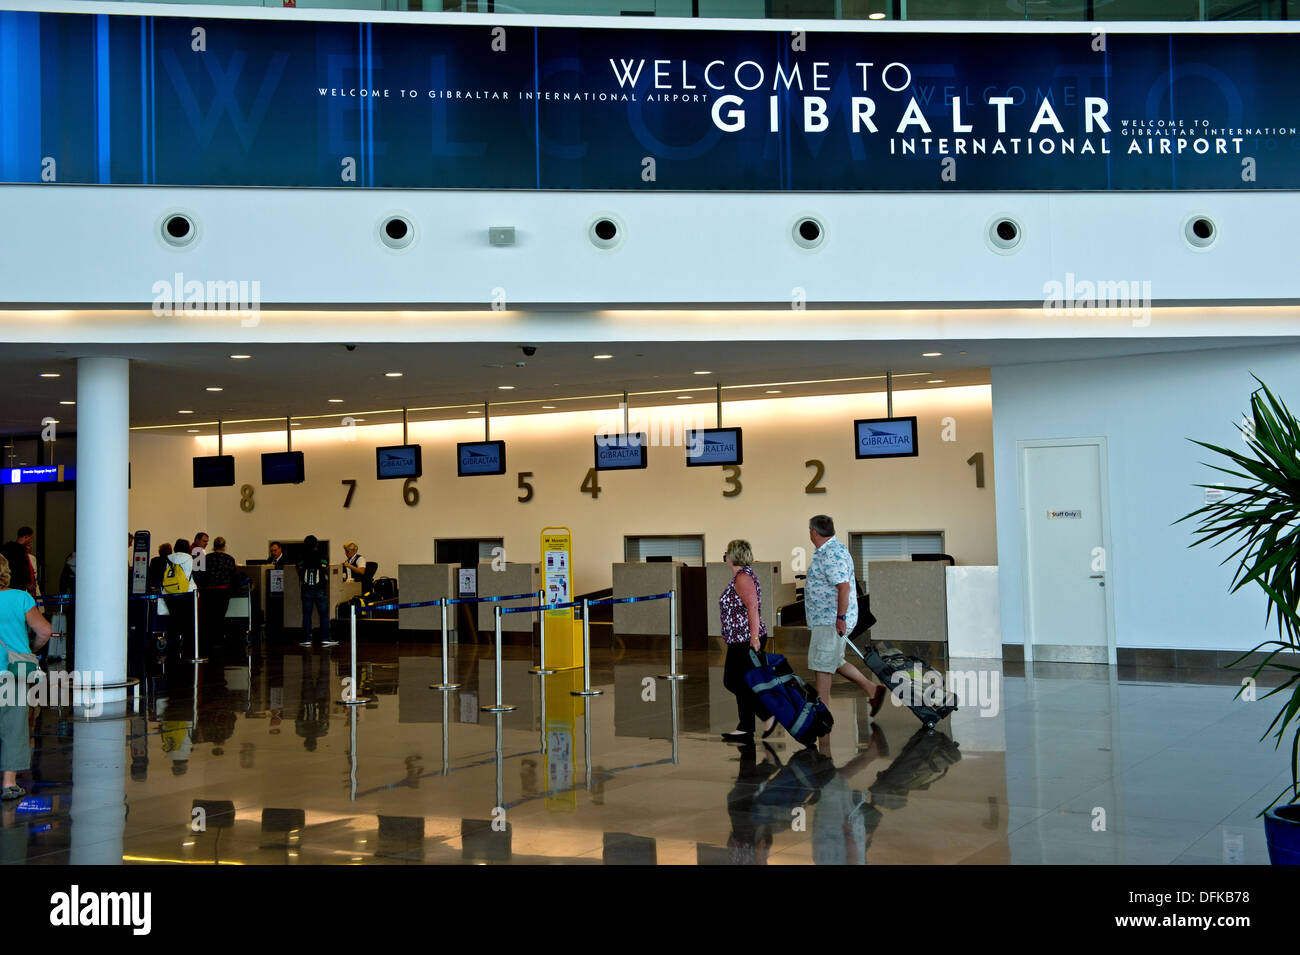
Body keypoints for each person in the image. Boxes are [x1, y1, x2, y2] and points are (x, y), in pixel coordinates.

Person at [805, 515, 886, 717]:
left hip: (830, 619)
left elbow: (843, 587)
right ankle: (872, 689)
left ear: (814, 532)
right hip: (825, 618)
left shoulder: (832, 553)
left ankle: (823, 713)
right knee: (835, 661)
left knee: (823, 666)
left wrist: (840, 618)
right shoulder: (826, 550)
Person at [0, 554, 58, 800]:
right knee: (14, 726)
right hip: (13, 672)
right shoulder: (19, 598)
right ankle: (9, 783)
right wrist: (29, 649)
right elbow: (44, 630)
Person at [719, 539, 775, 744]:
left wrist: (753, 638)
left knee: (733, 681)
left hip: (745, 640)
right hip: (739, 639)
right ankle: (745, 727)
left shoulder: (743, 578)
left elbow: (752, 608)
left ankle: (766, 714)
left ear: (733, 556)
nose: (724, 555)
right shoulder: (742, 576)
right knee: (742, 681)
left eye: (727, 552)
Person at [296, 536, 335, 647]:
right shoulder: (321, 555)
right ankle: (325, 638)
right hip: (319, 588)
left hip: (306, 588)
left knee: (307, 614)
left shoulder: (301, 555)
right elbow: (325, 567)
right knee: (323, 614)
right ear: (316, 544)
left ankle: (306, 639)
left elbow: (298, 567)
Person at [161, 538, 196, 657]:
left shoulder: (168, 557)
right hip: (186, 592)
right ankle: (188, 647)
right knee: (188, 621)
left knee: (173, 619)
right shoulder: (189, 558)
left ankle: (173, 645)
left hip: (170, 592)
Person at [201, 538, 238, 649]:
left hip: (209, 591)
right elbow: (234, 577)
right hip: (223, 591)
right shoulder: (229, 559)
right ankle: (219, 639)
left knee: (209, 615)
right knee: (220, 615)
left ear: (214, 545)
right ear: (224, 546)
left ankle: (209, 639)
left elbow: (201, 575)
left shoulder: (206, 558)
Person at [1, 527, 38, 597]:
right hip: (18, 590)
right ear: (26, 537)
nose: (31, 541)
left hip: (5, 587)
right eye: (31, 538)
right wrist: (26, 583)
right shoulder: (21, 553)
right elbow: (21, 570)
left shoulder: (5, 551)